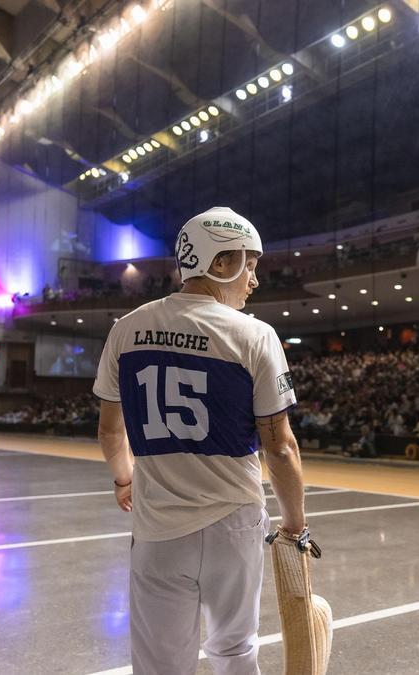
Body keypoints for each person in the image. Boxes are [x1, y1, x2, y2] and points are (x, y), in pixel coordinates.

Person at [92, 207, 307, 674]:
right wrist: (294, 523)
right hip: (235, 520)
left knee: (161, 662)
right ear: (220, 263)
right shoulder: (255, 335)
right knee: (234, 650)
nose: (254, 279)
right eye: (249, 264)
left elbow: (111, 430)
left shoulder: (126, 329)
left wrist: (124, 479)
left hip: (157, 526)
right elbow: (281, 446)